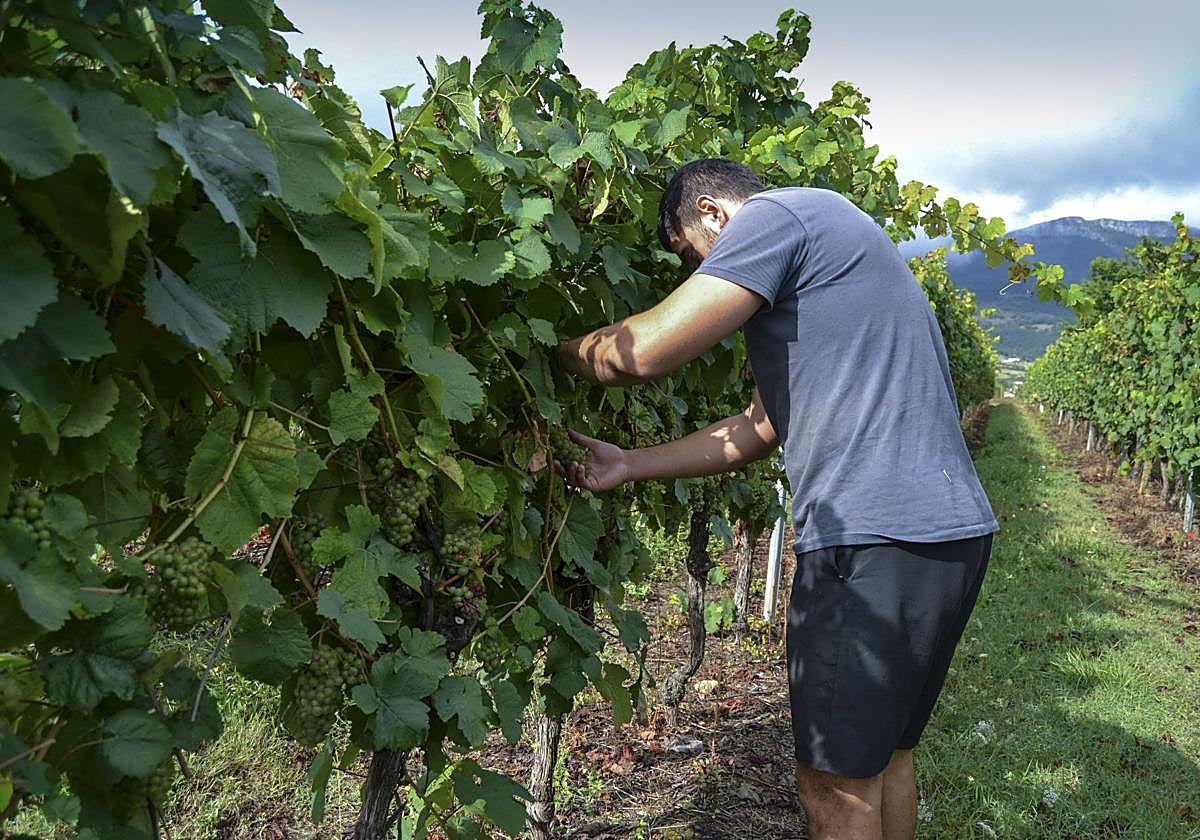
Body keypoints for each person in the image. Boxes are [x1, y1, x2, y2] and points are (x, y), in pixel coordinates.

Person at [557, 158, 998, 840]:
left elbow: (640, 352)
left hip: (872, 538)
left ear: (711, 213)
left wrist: (546, 349)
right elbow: (758, 429)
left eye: (691, 255)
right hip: (942, 536)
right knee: (883, 759)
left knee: (834, 784)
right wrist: (630, 463)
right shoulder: (830, 237)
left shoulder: (772, 217)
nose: (698, 273)